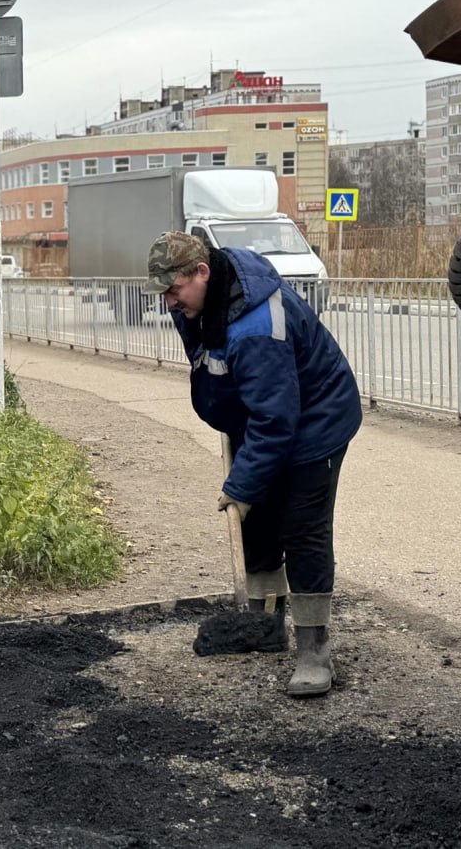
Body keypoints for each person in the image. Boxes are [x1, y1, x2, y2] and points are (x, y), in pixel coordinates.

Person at [143, 231, 361, 697]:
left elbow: (277, 421)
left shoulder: (259, 326)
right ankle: (265, 626)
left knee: (302, 528)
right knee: (256, 521)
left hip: (314, 421)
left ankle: (313, 650)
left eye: (173, 290)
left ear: (201, 272)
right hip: (263, 415)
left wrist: (241, 485)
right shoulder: (200, 301)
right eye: (163, 293)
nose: (168, 303)